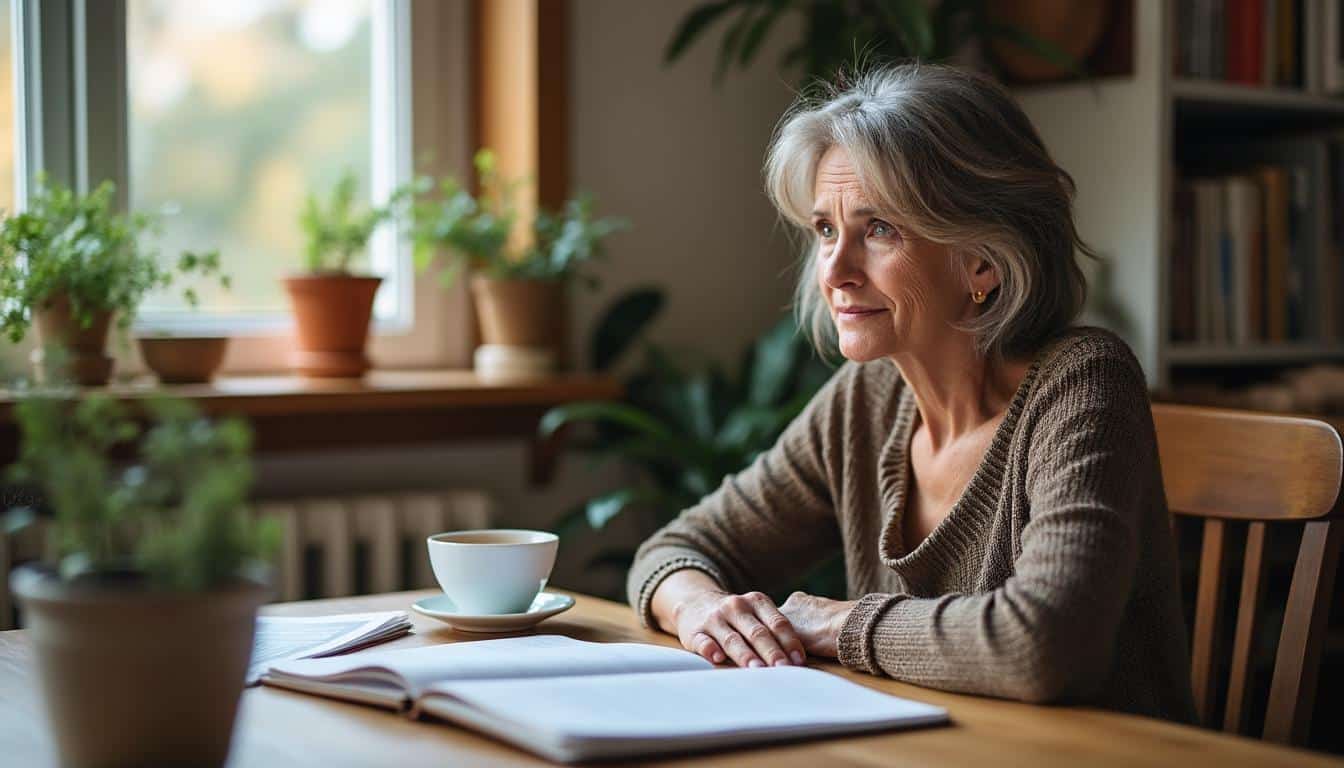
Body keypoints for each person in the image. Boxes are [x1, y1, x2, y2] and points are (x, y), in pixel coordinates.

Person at [627, 63, 1197, 723]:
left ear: (981, 260)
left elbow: (1044, 644)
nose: (835, 272)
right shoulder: (864, 400)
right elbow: (673, 550)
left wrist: (836, 625)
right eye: (825, 230)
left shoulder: (1084, 382)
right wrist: (703, 610)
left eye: (879, 230)